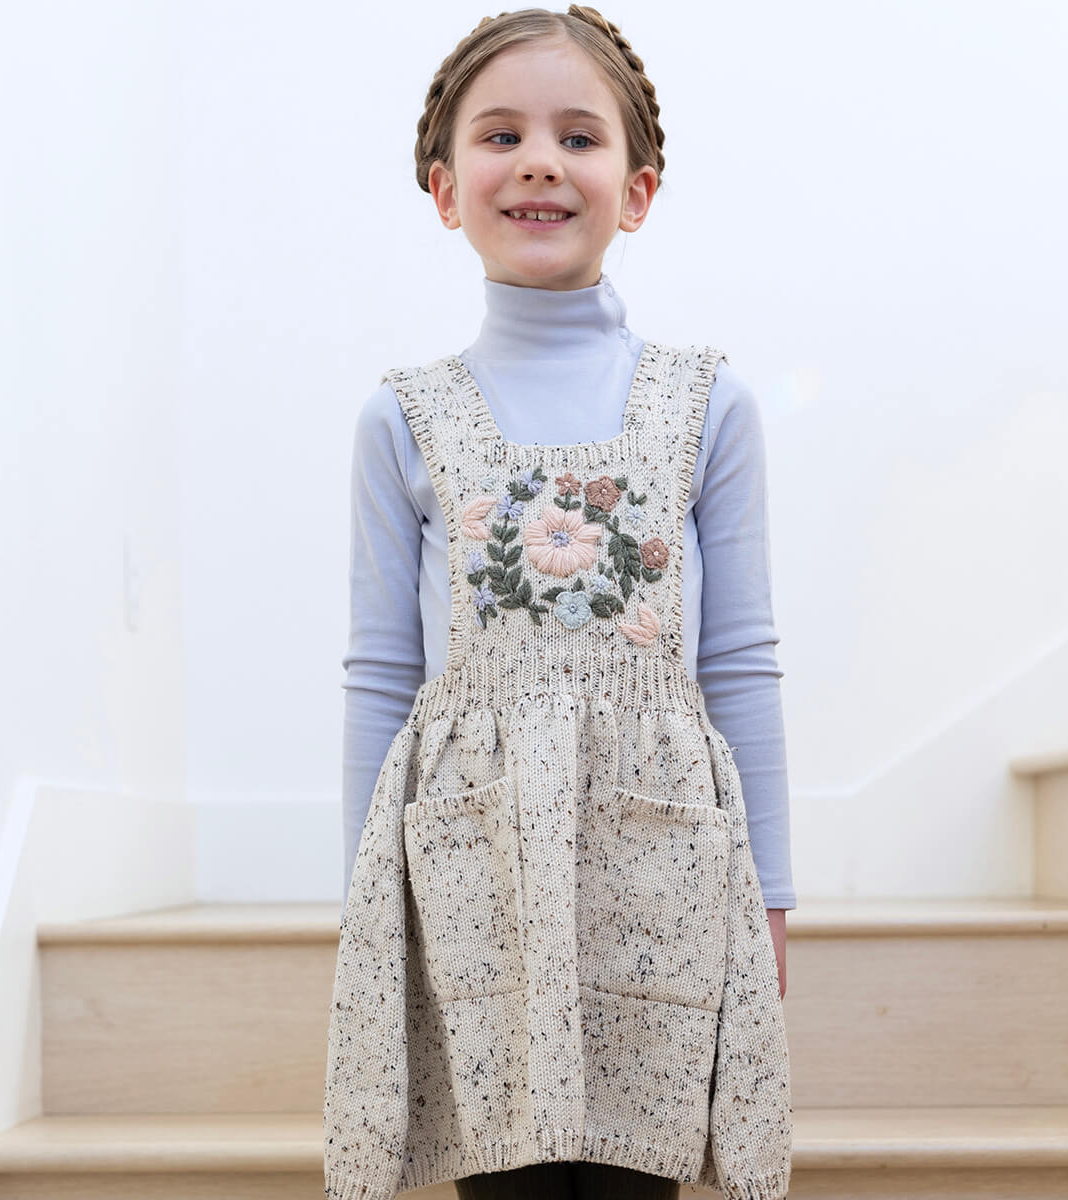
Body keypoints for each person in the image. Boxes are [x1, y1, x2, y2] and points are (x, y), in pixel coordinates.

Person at [324, 6, 795, 1199]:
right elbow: (381, 674)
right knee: (502, 1172)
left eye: (578, 136)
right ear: (446, 191)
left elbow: (741, 660)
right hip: (473, 862)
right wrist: (362, 902)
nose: (540, 160)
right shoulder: (402, 419)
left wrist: (774, 898)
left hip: (662, 861)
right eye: (503, 135)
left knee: (640, 1167)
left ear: (635, 193)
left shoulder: (709, 406)